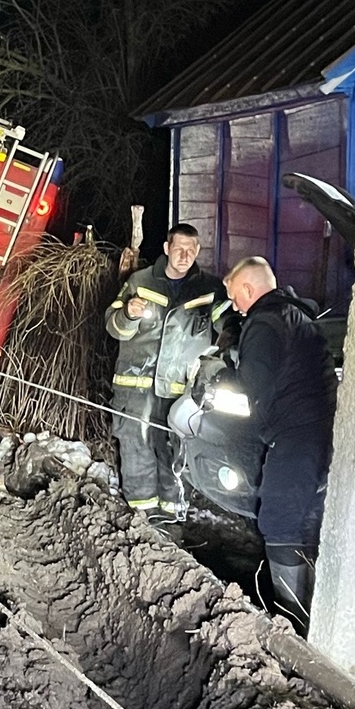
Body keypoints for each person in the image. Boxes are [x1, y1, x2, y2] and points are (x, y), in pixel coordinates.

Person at [223, 256, 337, 622]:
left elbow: (251, 386)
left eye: (234, 297)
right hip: (315, 429)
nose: (235, 307)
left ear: (248, 289)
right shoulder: (294, 313)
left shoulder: (264, 323)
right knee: (301, 520)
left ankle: (293, 622)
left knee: (279, 519)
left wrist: (216, 378)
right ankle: (311, 615)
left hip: (297, 435)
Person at [104, 222, 227, 532]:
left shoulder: (209, 291)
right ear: (166, 248)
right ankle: (142, 519)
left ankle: (171, 518)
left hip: (179, 391)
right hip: (135, 388)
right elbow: (114, 328)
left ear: (198, 251)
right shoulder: (140, 281)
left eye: (191, 249)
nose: (184, 255)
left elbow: (229, 330)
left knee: (175, 449)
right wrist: (128, 314)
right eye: (178, 248)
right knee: (136, 446)